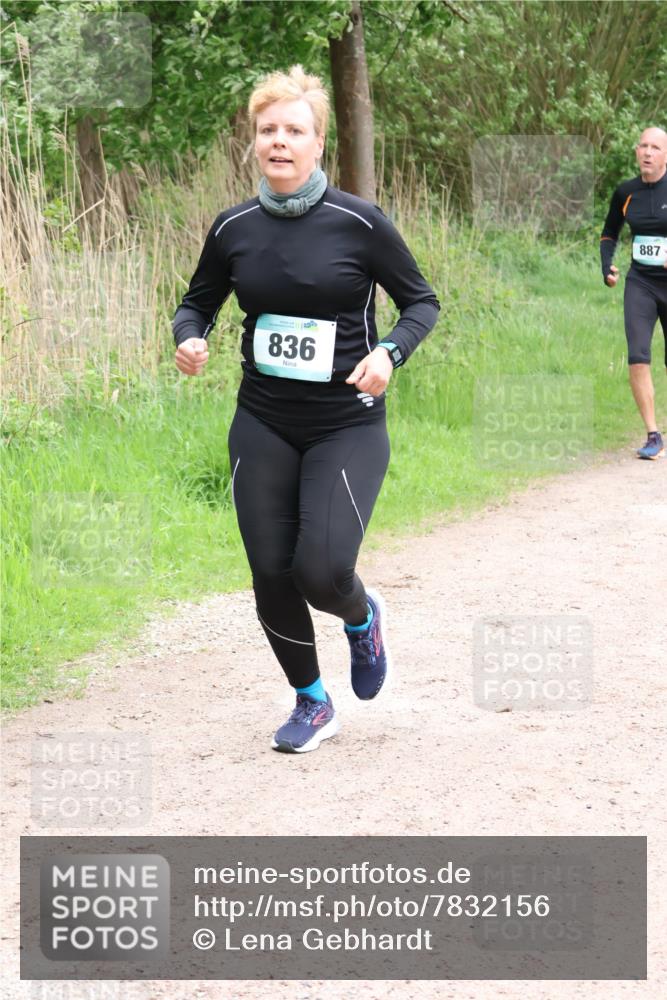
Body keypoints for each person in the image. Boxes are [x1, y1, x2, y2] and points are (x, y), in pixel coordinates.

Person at [172, 66, 440, 753]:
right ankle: (311, 701)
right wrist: (190, 337)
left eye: (294, 130)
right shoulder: (232, 226)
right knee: (269, 568)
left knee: (318, 571)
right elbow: (197, 300)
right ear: (253, 144)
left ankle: (361, 617)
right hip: (262, 418)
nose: (279, 142)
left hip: (345, 422)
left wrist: (388, 354)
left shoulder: (358, 222)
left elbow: (421, 302)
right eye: (268, 131)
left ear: (318, 143)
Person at [600, 125, 667, 460]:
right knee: (638, 357)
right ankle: (653, 434)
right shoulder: (626, 192)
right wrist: (606, 267)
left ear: (665, 154)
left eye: (655, 147)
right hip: (640, 282)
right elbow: (609, 233)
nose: (647, 152)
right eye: (643, 146)